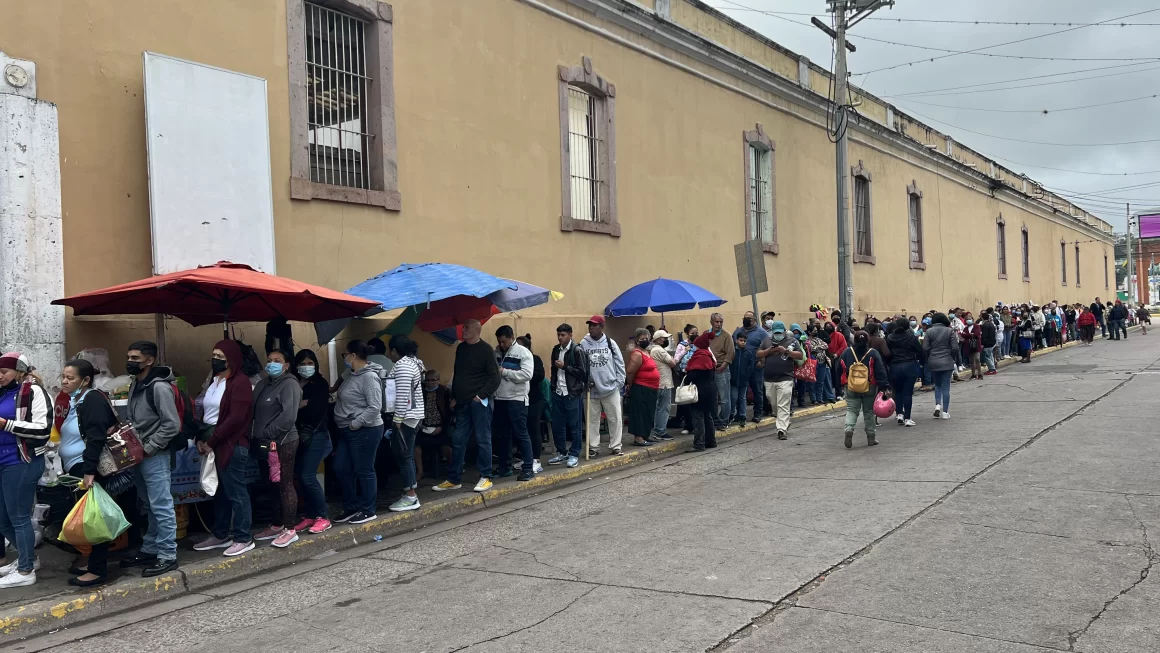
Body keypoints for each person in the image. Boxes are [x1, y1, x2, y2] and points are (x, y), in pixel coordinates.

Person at [56, 360, 118, 586]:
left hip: (87, 467)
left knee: (95, 518)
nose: (64, 381)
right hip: (76, 466)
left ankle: (98, 570)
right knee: (88, 517)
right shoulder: (77, 400)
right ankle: (91, 562)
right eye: (63, 376)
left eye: (70, 378)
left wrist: (89, 471)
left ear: (85, 380)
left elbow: (96, 437)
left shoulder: (91, 399)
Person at [192, 340, 254, 557]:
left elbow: (235, 418)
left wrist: (212, 441)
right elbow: (205, 413)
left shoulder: (240, 382)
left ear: (232, 359)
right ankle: (220, 533)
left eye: (220, 355)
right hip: (212, 441)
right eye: (214, 354)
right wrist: (201, 438)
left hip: (231, 443)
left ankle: (243, 537)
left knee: (236, 491)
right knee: (219, 491)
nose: (215, 359)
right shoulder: (215, 381)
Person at [122, 342, 180, 573]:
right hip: (139, 454)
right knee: (149, 504)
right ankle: (151, 548)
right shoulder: (136, 384)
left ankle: (168, 554)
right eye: (129, 357)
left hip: (154, 455)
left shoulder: (158, 387)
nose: (131, 361)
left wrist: (150, 447)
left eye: (136, 358)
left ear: (149, 360)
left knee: (161, 504)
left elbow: (171, 424)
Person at [0, 353, 51, 588]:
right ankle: (28, 557)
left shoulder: (32, 392)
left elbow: (42, 430)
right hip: (3, 463)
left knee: (19, 517)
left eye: (4, 372)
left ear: (19, 372)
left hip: (21, 462)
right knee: (3, 519)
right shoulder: (4, 392)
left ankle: (25, 571)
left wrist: (6, 424)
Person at [436, 320, 500, 493]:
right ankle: (454, 478)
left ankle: (486, 476)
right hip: (462, 403)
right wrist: (455, 396)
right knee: (458, 439)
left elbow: (495, 378)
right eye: (463, 327)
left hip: (480, 403)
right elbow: (459, 374)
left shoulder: (486, 350)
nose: (462, 330)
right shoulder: (461, 348)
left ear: (477, 331)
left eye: (466, 328)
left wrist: (480, 396)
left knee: (482, 439)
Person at [249, 349, 302, 548]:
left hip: (284, 441)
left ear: (286, 365)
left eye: (277, 361)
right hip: (264, 444)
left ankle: (290, 529)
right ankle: (277, 523)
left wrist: (269, 432)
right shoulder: (262, 384)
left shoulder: (290, 384)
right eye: (269, 360)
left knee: (285, 483)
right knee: (271, 484)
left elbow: (289, 417)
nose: (272, 364)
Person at [332, 339, 385, 519]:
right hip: (347, 430)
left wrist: (356, 423)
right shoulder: (350, 374)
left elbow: (375, 406)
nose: (344, 358)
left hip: (364, 429)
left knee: (364, 469)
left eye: (344, 354)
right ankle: (351, 506)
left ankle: (368, 509)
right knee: (341, 468)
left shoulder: (369, 377)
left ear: (353, 355)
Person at [291, 349, 333, 535]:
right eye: (302, 363)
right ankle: (310, 514)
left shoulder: (320, 384)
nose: (306, 367)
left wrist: (298, 406)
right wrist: (299, 405)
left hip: (315, 434)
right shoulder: (292, 383)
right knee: (300, 476)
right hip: (295, 435)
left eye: (310, 363)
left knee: (308, 476)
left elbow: (316, 410)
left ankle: (323, 516)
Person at [386, 334, 427, 509]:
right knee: (406, 455)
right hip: (413, 416)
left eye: (390, 350)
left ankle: (410, 496)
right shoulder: (414, 363)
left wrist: (397, 420)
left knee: (404, 456)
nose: (389, 354)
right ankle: (410, 492)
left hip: (407, 418)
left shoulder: (403, 366)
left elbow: (403, 396)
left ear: (395, 351)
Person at [492, 326, 535, 481]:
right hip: (500, 399)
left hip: (517, 399)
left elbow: (527, 374)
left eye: (504, 341)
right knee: (503, 436)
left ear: (512, 338)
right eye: (499, 342)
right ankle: (504, 467)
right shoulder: (496, 352)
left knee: (521, 434)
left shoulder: (523, 353)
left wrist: (504, 372)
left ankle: (528, 468)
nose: (501, 345)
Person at [579, 316, 625, 456]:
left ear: (601, 327)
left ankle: (616, 445)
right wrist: (584, 382)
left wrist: (619, 383)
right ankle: (593, 447)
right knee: (592, 420)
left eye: (595, 325)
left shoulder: (610, 343)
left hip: (610, 388)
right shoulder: (583, 344)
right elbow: (580, 365)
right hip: (591, 390)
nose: (591, 328)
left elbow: (619, 363)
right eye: (590, 325)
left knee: (615, 418)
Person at [837, 331, 889, 449]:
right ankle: (871, 437)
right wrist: (884, 387)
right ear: (867, 341)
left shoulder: (846, 352)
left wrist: (839, 385)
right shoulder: (873, 353)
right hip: (869, 387)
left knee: (851, 410)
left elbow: (839, 368)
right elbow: (880, 371)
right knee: (869, 412)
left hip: (850, 386)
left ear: (854, 340)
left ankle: (849, 429)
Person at [547, 323, 588, 468]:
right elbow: (553, 370)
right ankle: (561, 452)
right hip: (558, 391)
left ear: (570, 334)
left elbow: (583, 373)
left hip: (572, 393)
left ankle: (574, 453)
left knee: (574, 425)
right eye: (558, 335)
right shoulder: (555, 350)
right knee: (558, 424)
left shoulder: (577, 350)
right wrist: (553, 386)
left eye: (563, 335)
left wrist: (564, 366)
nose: (560, 338)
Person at [757, 321, 804, 441]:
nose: (778, 335)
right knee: (774, 404)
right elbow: (758, 353)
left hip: (786, 378)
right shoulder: (767, 341)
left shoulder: (792, 341)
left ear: (784, 331)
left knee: (783, 404)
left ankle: (781, 430)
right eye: (775, 333)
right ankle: (785, 420)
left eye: (780, 332)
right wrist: (769, 351)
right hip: (769, 379)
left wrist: (786, 351)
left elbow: (800, 356)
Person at [625, 327, 661, 447]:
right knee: (640, 412)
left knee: (648, 412)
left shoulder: (646, 352)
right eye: (642, 339)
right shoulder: (637, 354)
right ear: (637, 340)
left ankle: (646, 434)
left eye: (647, 338)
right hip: (641, 387)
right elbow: (630, 372)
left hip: (651, 388)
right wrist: (631, 386)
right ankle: (638, 437)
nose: (645, 340)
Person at [415, 368, 453, 481]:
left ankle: (454, 469)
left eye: (433, 380)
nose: (430, 382)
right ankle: (420, 471)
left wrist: (441, 427)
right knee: (415, 446)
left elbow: (448, 413)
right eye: (428, 380)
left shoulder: (444, 391)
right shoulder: (421, 391)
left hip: (440, 427)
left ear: (438, 380)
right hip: (424, 427)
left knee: (447, 447)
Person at [516, 335, 546, 473]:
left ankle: (536, 459)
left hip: (534, 399)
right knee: (523, 430)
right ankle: (526, 458)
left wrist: (524, 373)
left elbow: (540, 376)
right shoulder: (514, 359)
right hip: (520, 399)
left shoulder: (535, 359)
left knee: (534, 429)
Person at [684, 332, 718, 451]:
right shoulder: (708, 355)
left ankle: (699, 444)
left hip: (700, 390)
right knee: (707, 416)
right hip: (710, 390)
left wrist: (686, 376)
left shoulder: (699, 356)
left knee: (698, 416)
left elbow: (694, 374)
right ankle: (711, 441)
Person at [885, 317, 923, 427]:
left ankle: (899, 414)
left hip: (894, 366)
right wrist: (920, 361)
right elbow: (920, 352)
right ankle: (907, 418)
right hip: (909, 365)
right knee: (907, 392)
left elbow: (887, 353)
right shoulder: (911, 338)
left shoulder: (890, 338)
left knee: (897, 391)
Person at [733, 312, 769, 423]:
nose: (746, 320)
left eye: (749, 318)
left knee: (757, 390)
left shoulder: (762, 333)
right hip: (741, 366)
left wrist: (762, 362)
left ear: (754, 319)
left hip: (755, 365)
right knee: (740, 391)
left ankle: (758, 413)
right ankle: (740, 414)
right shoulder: (738, 332)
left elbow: (767, 348)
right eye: (745, 318)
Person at [923, 314, 958, 420]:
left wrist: (930, 356)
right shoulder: (949, 331)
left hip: (933, 361)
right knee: (946, 387)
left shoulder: (929, 332)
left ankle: (938, 405)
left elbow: (925, 347)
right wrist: (952, 356)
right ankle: (945, 412)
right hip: (947, 360)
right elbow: (955, 347)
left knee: (937, 385)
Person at [707, 313, 735, 429]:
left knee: (724, 398)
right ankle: (713, 419)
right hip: (708, 369)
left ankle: (724, 420)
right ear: (711, 322)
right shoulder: (706, 334)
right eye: (717, 322)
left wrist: (723, 366)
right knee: (711, 397)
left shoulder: (726, 335)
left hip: (721, 368)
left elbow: (731, 353)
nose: (719, 324)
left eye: (721, 322)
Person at [649, 330, 677, 441]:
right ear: (657, 339)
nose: (665, 340)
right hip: (664, 383)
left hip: (659, 383)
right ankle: (660, 430)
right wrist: (683, 352)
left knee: (659, 408)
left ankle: (657, 429)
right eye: (663, 338)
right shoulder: (659, 351)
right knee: (664, 408)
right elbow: (673, 363)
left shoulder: (654, 350)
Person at [729, 332, 756, 425]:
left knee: (742, 398)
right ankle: (731, 415)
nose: (743, 342)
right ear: (736, 341)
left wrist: (746, 376)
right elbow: (730, 364)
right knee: (733, 398)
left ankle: (742, 416)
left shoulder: (748, 352)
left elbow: (751, 366)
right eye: (741, 340)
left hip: (744, 380)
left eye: (744, 341)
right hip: (734, 379)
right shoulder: (733, 352)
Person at [806, 324, 835, 405]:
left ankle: (819, 398)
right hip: (813, 364)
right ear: (809, 332)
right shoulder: (807, 341)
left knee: (821, 382)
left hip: (823, 362)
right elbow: (811, 348)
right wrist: (819, 347)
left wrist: (818, 347)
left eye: (816, 331)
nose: (816, 332)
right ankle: (813, 399)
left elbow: (826, 346)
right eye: (814, 331)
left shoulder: (818, 339)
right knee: (812, 382)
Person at [826, 319, 849, 400]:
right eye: (827, 326)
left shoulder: (839, 335)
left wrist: (837, 354)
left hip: (836, 358)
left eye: (830, 326)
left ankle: (838, 392)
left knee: (837, 375)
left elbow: (843, 346)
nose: (828, 327)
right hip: (827, 358)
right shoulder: (824, 335)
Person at [980, 311, 998, 376]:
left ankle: (992, 369)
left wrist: (982, 343)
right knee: (990, 356)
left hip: (987, 343)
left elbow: (984, 336)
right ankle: (992, 368)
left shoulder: (984, 325)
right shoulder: (991, 324)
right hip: (992, 342)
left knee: (987, 357)